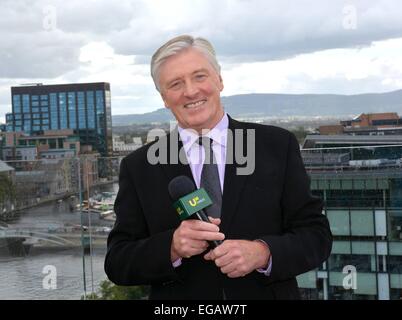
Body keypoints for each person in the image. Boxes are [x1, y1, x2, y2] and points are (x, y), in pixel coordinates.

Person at [104, 35, 332, 300]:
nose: (190, 91)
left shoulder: (277, 146)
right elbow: (117, 262)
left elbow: (316, 236)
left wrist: (263, 252)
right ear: (164, 98)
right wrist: (171, 247)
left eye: (199, 76)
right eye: (176, 84)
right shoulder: (140, 166)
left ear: (219, 80)